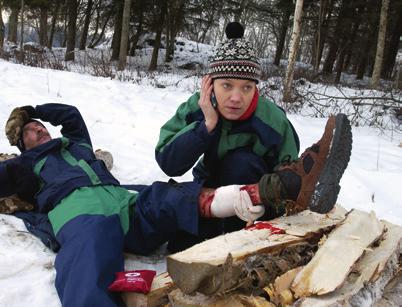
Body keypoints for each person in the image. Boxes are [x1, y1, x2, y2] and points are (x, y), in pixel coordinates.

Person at [1, 102, 351, 306]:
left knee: (169, 196)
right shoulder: (22, 167)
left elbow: (72, 116)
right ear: (21, 143)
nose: (39, 129)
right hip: (79, 214)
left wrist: (35, 109)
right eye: (29, 130)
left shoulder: (74, 144)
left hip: (123, 203)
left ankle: (282, 188)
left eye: (39, 125)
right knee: (88, 258)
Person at [155, 22, 300, 245]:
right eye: (227, 85)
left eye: (246, 87)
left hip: (256, 199)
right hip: (211, 188)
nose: (236, 97)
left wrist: (267, 204)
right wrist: (206, 126)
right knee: (178, 245)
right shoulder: (197, 107)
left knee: (241, 162)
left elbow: (289, 179)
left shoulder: (273, 121)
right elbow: (168, 161)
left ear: (255, 89)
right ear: (211, 85)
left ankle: (236, 240)